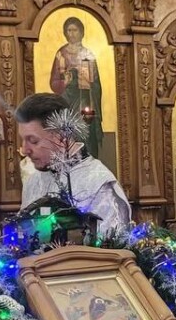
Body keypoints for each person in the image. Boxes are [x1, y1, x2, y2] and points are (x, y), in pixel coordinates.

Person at [16, 93, 130, 234]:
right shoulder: (32, 182)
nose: (25, 150)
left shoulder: (99, 185)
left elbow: (113, 245)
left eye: (33, 141)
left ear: (61, 135)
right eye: (22, 140)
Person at [49, 17, 103, 160]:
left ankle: (87, 161)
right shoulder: (61, 54)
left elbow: (96, 84)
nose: (72, 34)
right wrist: (64, 82)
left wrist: (86, 79)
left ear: (81, 32)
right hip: (67, 101)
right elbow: (54, 82)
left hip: (84, 101)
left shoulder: (88, 55)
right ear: (65, 33)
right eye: (69, 30)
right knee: (68, 135)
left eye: (75, 30)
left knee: (85, 135)